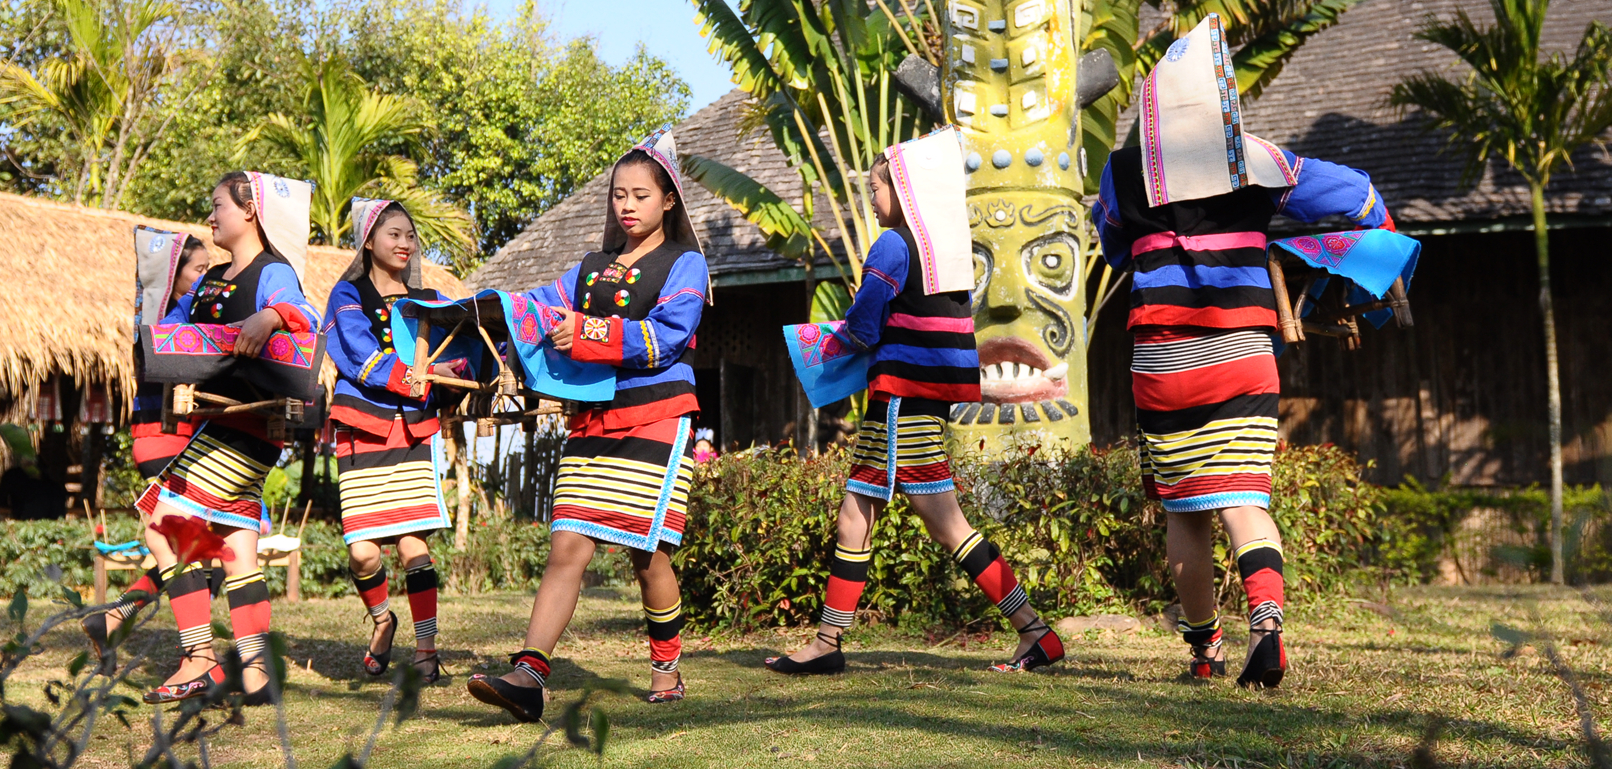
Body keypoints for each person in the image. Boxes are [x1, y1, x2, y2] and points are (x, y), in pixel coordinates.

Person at [1092, 14, 1394, 689]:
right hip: (1241, 352)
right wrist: (1369, 242)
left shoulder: (1120, 173)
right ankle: (1268, 625)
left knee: (1184, 511)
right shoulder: (1256, 160)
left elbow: (1114, 248)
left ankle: (1204, 655)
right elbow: (1361, 196)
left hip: (1163, 364)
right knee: (1241, 498)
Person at [765, 140, 1065, 676]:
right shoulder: (947, 251)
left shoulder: (891, 247)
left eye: (876, 187)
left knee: (938, 522)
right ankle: (828, 641)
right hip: (925, 403)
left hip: (899, 402)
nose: (873, 198)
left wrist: (832, 343)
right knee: (859, 514)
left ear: (902, 191)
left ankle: (1035, 632)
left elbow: (863, 324)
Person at [467, 129, 709, 722]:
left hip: (657, 416)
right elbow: (535, 309)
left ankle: (667, 667)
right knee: (567, 545)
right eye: (618, 195)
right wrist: (480, 314)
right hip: (593, 418)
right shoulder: (588, 269)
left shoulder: (686, 265)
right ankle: (529, 676)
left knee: (646, 556)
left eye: (641, 196)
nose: (627, 205)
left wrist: (592, 333)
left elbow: (670, 336)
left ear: (668, 201)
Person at [131, 171, 319, 704]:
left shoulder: (272, 273)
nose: (211, 217)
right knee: (238, 548)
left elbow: (305, 315)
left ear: (250, 210)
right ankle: (257, 678)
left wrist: (270, 314)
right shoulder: (211, 278)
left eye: (218, 206)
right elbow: (175, 329)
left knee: (162, 525)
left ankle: (199, 657)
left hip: (254, 423)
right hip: (219, 423)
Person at [323, 198, 461, 685]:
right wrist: (418, 373)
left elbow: (458, 351)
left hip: (412, 430)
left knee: (412, 545)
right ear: (369, 240)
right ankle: (383, 620)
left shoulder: (430, 299)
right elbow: (358, 353)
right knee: (362, 550)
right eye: (393, 235)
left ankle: (426, 648)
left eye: (409, 235)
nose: (404, 244)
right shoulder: (346, 295)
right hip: (362, 429)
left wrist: (460, 367)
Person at [83, 231, 215, 665]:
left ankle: (114, 620)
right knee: (187, 549)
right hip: (163, 439)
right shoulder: (170, 320)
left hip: (173, 440)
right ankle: (195, 652)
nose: (205, 277)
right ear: (173, 276)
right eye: (198, 269)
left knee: (198, 547)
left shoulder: (176, 313)